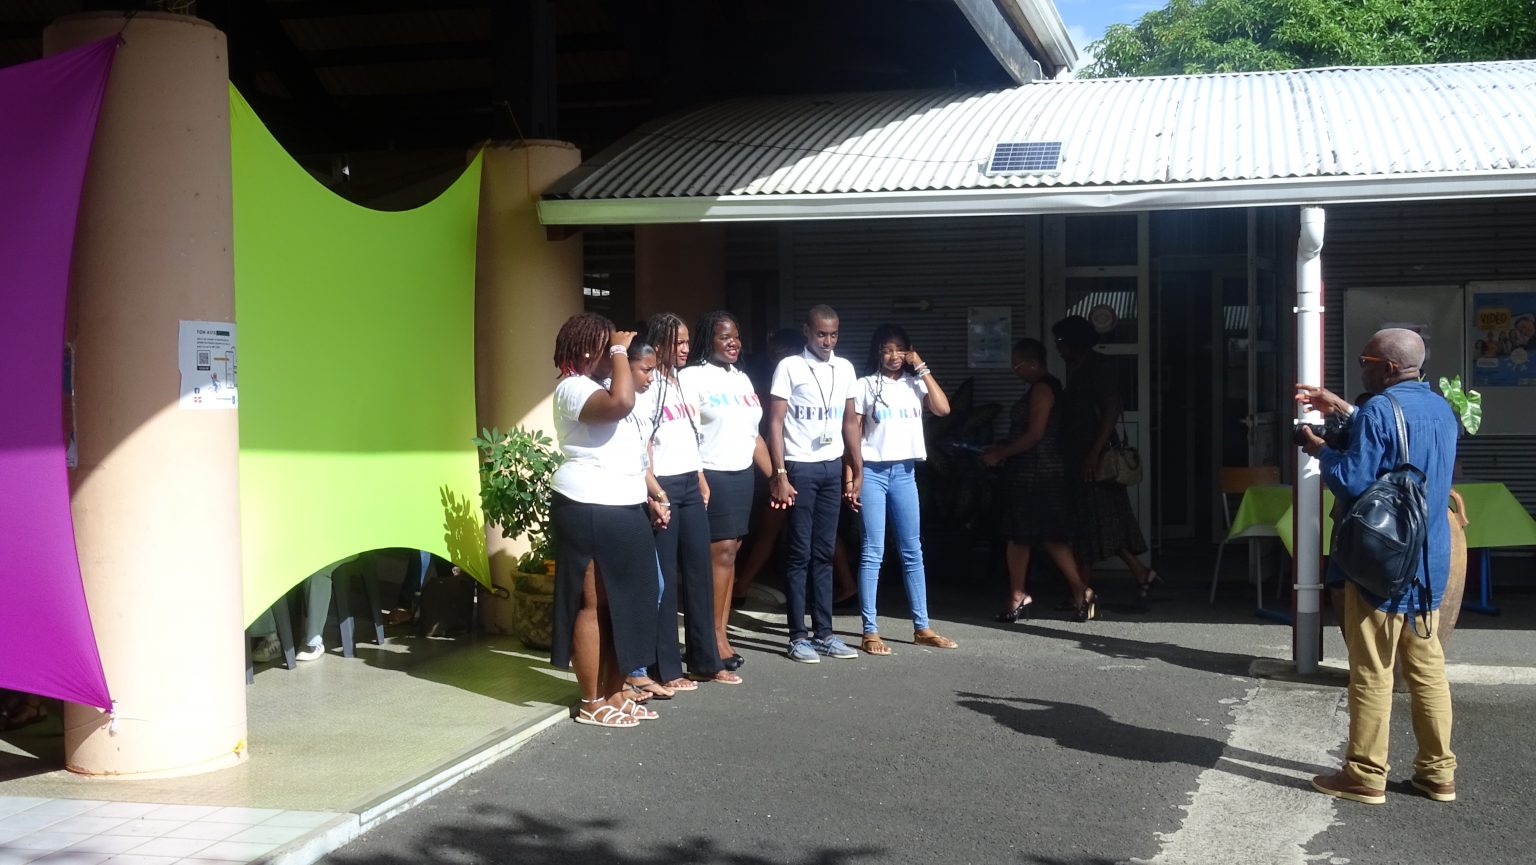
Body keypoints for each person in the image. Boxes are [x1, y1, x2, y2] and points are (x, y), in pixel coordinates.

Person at [1298, 328, 1458, 805]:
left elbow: (1352, 480)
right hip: (1428, 559)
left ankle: (1366, 774)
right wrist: (1344, 408)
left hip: (1381, 562)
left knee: (1371, 669)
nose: (1361, 368)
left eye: (1366, 361)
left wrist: (1321, 450)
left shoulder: (1379, 410)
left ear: (1387, 368)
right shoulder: (1441, 409)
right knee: (1427, 669)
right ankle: (1438, 773)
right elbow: (1400, 444)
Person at [547, 312, 661, 728]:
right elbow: (620, 405)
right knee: (593, 603)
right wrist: (618, 350)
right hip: (587, 505)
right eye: (606, 348)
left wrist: (654, 495)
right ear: (585, 352)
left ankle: (615, 692)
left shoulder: (605, 385)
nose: (616, 355)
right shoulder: (572, 388)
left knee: (622, 604)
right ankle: (591, 702)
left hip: (624, 504)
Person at [637, 312, 741, 692]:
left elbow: (690, 433)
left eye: (685, 342)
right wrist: (654, 493)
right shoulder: (647, 387)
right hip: (662, 485)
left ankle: (705, 661)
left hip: (690, 483)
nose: (685, 348)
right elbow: (645, 443)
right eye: (677, 343)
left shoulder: (682, 382)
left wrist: (699, 475)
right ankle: (666, 668)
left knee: (699, 572)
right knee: (666, 577)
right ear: (659, 345)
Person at [842, 324, 956, 654]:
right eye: (886, 349)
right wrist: (851, 478)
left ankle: (922, 627)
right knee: (873, 551)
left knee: (912, 551)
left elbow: (943, 408)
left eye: (899, 349)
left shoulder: (914, 383)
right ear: (877, 352)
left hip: (905, 473)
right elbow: (853, 436)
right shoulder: (864, 385)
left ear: (908, 350)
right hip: (872, 473)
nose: (893, 356)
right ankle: (870, 631)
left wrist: (920, 366)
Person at [679, 310, 771, 673]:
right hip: (711, 473)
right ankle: (711, 638)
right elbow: (685, 431)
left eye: (736, 336)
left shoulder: (741, 378)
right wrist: (698, 475)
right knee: (718, 555)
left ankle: (720, 629)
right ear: (709, 340)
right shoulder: (692, 377)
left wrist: (777, 476)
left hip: (742, 474)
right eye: (724, 337)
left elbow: (753, 435)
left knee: (731, 553)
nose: (733, 343)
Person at [767, 304, 859, 663]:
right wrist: (779, 473)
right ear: (807, 331)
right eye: (821, 334)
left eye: (833, 334)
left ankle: (825, 633)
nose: (827, 341)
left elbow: (849, 422)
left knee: (825, 552)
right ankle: (797, 636)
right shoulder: (789, 366)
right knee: (799, 552)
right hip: (800, 466)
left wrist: (856, 467)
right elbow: (775, 423)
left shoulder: (845, 368)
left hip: (831, 466)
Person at [983, 338, 1093, 622]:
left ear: (1033, 363)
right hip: (1043, 471)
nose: (1015, 370)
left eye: (1017, 364)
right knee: (1049, 536)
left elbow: (1035, 434)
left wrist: (1001, 453)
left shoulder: (1042, 389)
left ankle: (1020, 594)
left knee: (1019, 536)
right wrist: (1004, 445)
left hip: (1035, 473)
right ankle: (1079, 591)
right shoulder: (1049, 386)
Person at [1052, 315, 1156, 608]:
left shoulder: (1097, 367)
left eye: (1060, 342)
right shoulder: (1079, 367)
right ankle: (1135, 573)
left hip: (1091, 454)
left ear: (1073, 342)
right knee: (1098, 520)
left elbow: (1112, 408)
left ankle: (1082, 591)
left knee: (1091, 520)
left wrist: (1094, 453)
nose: (1058, 348)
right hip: (1080, 452)